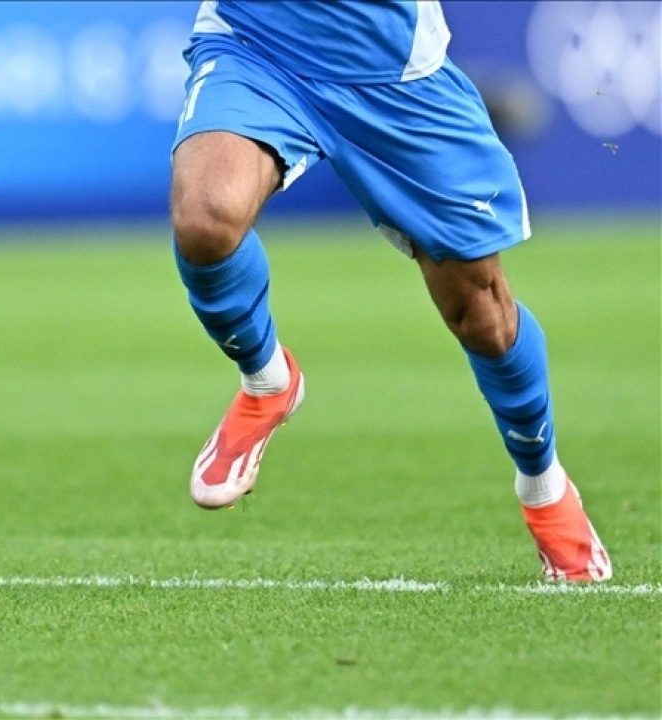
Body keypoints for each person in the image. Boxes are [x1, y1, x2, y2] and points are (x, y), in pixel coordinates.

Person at [171, 0, 611, 582]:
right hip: (258, 41)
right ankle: (267, 380)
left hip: (395, 70)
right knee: (205, 219)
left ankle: (542, 481)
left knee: (482, 315)